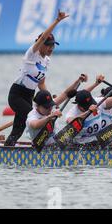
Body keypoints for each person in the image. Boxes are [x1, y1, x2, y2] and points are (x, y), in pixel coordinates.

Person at [5, 10, 69, 146]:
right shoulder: (32, 54)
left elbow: (41, 83)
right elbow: (42, 37)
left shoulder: (46, 61)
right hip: (17, 94)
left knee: (19, 126)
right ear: (41, 45)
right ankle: (41, 143)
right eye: (49, 45)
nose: (51, 48)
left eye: (53, 46)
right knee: (33, 116)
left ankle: (9, 147)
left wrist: (50, 100)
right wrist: (57, 21)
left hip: (30, 95)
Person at [24, 75, 87, 145]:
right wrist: (50, 117)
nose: (50, 109)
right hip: (41, 147)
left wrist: (78, 81)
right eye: (46, 107)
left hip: (56, 143)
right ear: (38, 106)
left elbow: (65, 93)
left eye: (50, 105)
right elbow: (35, 125)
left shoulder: (50, 106)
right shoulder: (32, 116)